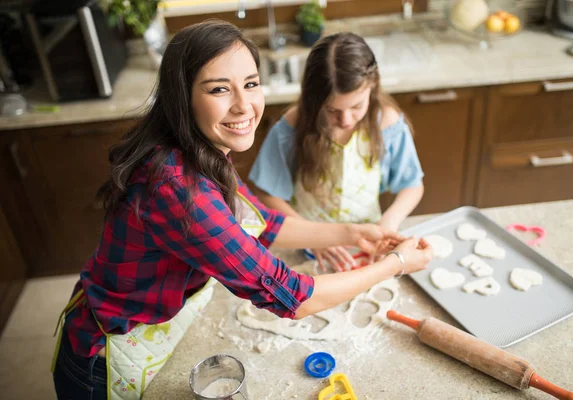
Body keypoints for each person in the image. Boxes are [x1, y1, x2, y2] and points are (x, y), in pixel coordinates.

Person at [51, 20, 433, 400]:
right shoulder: (178, 189)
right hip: (101, 358)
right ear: (181, 96)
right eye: (220, 89)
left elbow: (254, 224)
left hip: (142, 329)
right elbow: (294, 297)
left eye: (250, 84)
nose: (244, 105)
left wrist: (351, 233)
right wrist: (394, 264)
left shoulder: (196, 147)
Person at [249, 32, 425, 272]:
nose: (345, 119)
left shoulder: (388, 125)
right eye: (332, 110)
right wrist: (314, 237)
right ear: (314, 99)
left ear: (372, 87)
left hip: (369, 244)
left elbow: (413, 185)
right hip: (307, 245)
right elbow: (267, 193)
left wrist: (389, 222)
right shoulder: (291, 128)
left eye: (356, 106)